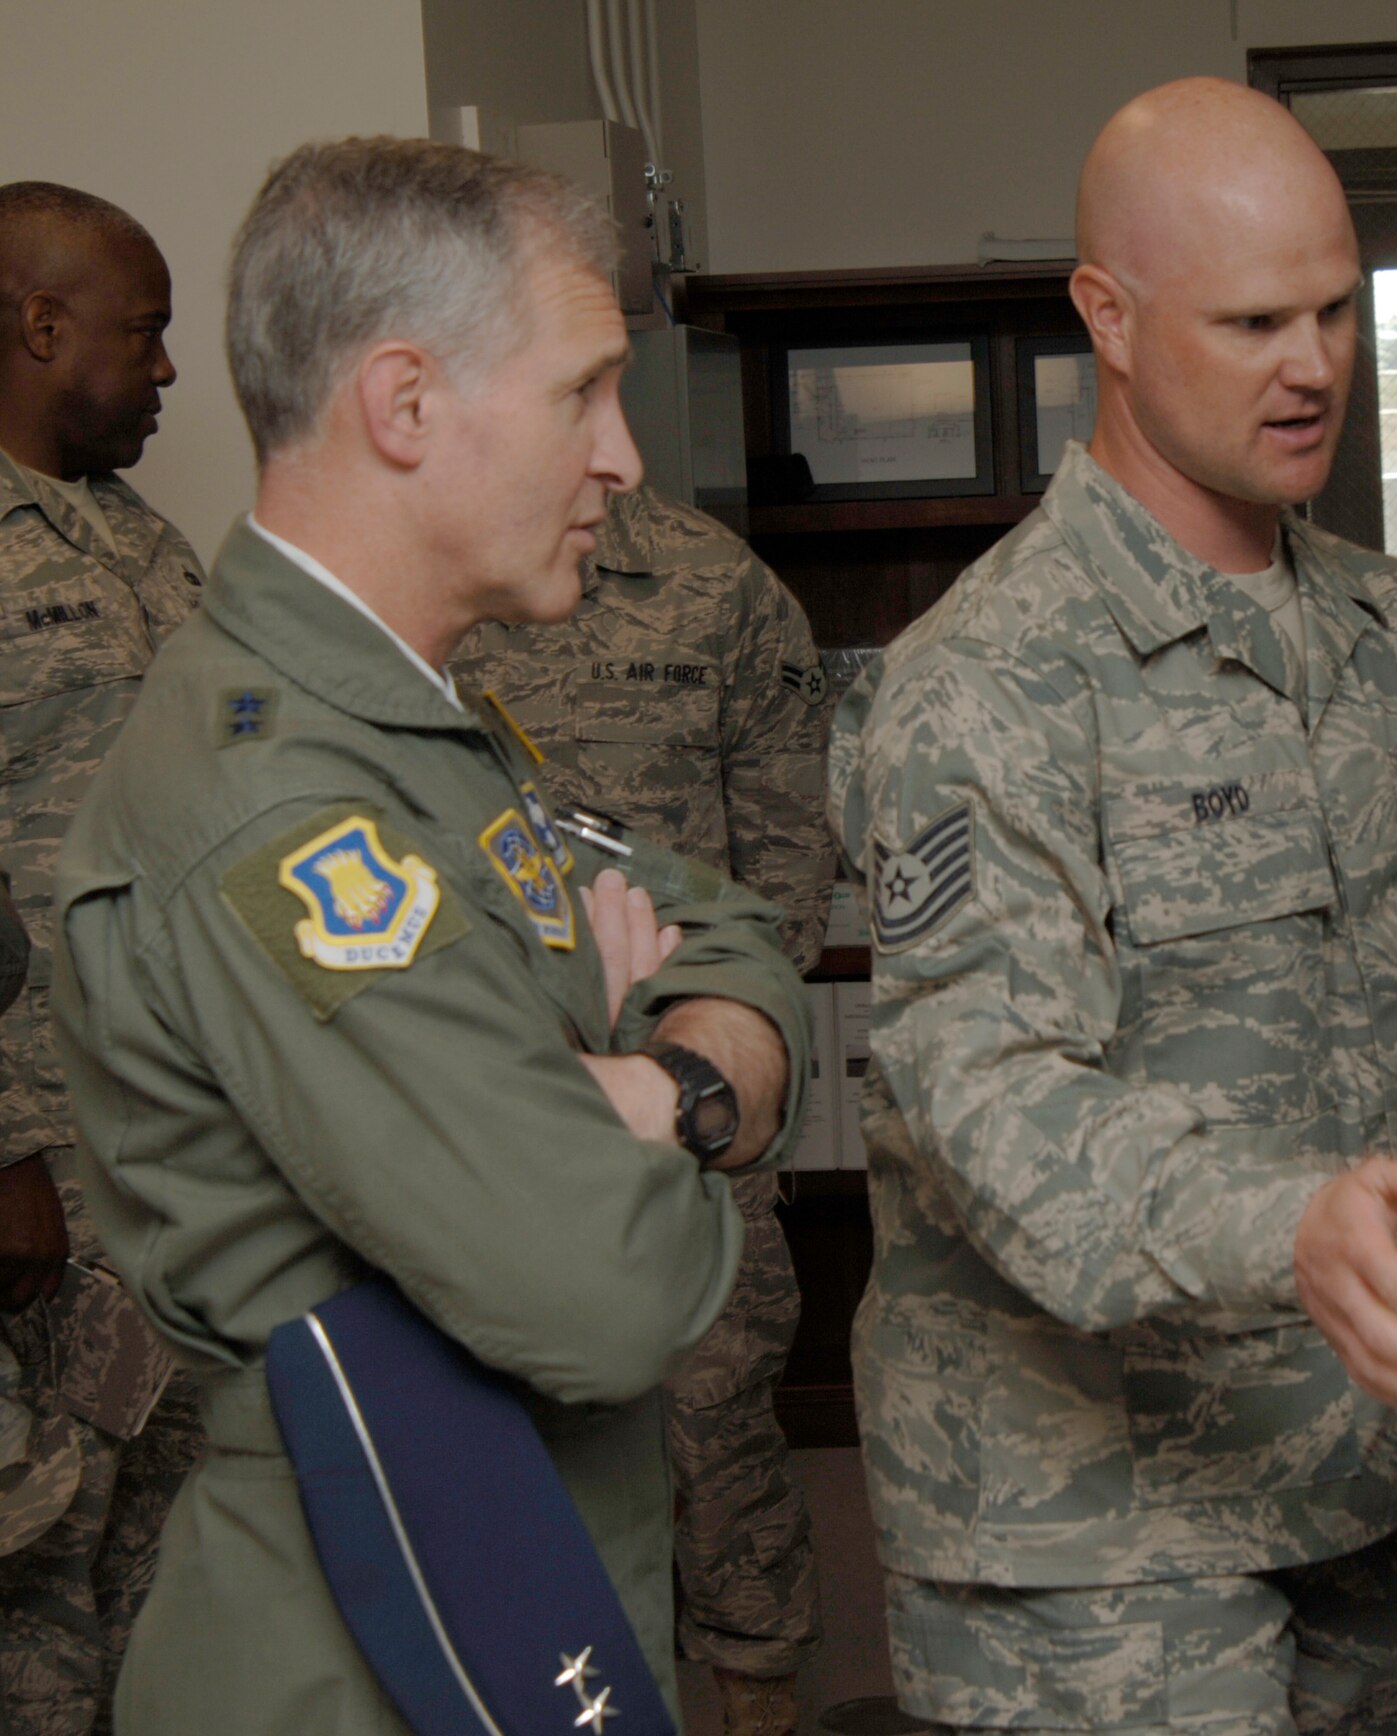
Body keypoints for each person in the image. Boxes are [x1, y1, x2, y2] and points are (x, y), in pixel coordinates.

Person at [49, 138, 811, 1734]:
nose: (619, 458)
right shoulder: (279, 805)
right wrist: (670, 1100)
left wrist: (664, 1087)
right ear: (403, 406)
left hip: (520, 1569)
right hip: (377, 1627)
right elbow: (600, 1288)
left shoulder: (414, 730)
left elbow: (730, 929)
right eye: (580, 393)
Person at [827, 78, 1397, 1734]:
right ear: (1106, 319)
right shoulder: (991, 685)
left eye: (1337, 311)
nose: (1316, 364)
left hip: (1339, 1477)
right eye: (1256, 319)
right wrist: (1293, 1225)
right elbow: (993, 1098)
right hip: (1090, 1539)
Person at [456, 482, 834, 1735]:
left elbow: (784, 862)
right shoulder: (424, 571)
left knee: (719, 1442)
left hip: (693, 1120)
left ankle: (756, 1702)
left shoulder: (713, 584)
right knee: (500, 1469)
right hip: (474, 1123)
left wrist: (702, 1033)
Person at [0, 181, 206, 1736]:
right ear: (38, 325)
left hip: (173, 1151)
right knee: (34, 1559)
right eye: (142, 335)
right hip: (37, 1169)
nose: (164, 372)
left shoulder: (146, 541)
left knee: (176, 1552)